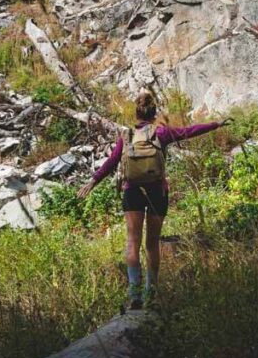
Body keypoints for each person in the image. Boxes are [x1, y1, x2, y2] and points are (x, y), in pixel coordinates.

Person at [77, 90, 228, 309]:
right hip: (157, 191)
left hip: (132, 191)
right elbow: (189, 131)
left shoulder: (126, 136)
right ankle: (151, 293)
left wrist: (93, 181)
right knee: (152, 243)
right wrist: (215, 124)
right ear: (154, 112)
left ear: (136, 114)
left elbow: (111, 162)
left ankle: (134, 294)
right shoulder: (162, 133)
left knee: (132, 242)